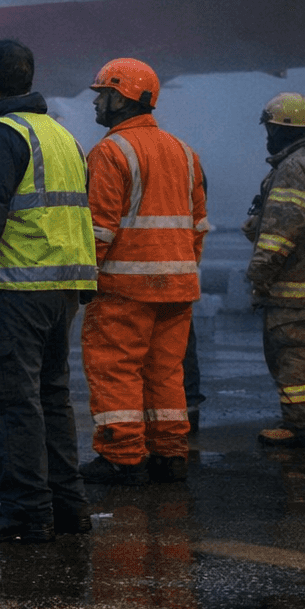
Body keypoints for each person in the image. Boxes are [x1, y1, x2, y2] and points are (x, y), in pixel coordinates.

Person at [0, 39, 97, 542]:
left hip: (13, 293)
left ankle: (26, 512)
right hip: (61, 291)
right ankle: (67, 507)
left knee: (8, 403)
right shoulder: (61, 136)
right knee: (50, 399)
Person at [79, 58, 210, 486]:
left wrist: (85, 280)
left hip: (124, 287)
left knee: (116, 368)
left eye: (102, 94)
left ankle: (121, 456)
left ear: (121, 97)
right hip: (178, 286)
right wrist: (181, 271)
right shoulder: (184, 152)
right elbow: (198, 226)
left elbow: (99, 228)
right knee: (166, 373)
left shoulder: (110, 152)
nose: (97, 102)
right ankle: (170, 454)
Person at [242, 92, 305, 449]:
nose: (267, 136)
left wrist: (259, 275)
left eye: (270, 128)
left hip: (296, 291)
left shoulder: (294, 168)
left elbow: (281, 230)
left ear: (282, 129)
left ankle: (303, 427)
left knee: (296, 357)